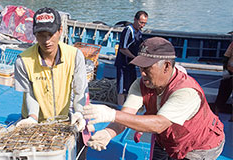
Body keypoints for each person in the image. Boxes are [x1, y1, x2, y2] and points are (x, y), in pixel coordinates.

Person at [83, 37, 225, 159]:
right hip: (167, 139)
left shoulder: (186, 91)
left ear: (166, 66)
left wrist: (111, 114)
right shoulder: (141, 83)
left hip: (199, 146)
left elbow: (159, 124)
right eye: (140, 68)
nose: (142, 74)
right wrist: (109, 132)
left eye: (147, 68)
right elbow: (126, 115)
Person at [14, 7, 89, 159]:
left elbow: (80, 90)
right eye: (41, 35)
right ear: (34, 35)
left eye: (51, 34)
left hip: (63, 120)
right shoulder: (23, 60)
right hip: (34, 119)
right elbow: (30, 93)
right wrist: (32, 117)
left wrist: (79, 112)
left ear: (60, 31)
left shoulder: (75, 56)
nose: (47, 40)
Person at [114, 11, 148, 106]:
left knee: (131, 86)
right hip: (123, 64)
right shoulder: (128, 30)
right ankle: (120, 107)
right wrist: (134, 58)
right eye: (141, 22)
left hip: (132, 64)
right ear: (135, 20)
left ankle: (128, 106)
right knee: (121, 88)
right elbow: (123, 48)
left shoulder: (139, 32)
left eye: (144, 23)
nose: (142, 25)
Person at [215, 41, 233, 121]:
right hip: (230, 72)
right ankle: (215, 115)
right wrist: (226, 70)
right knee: (222, 94)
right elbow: (225, 58)